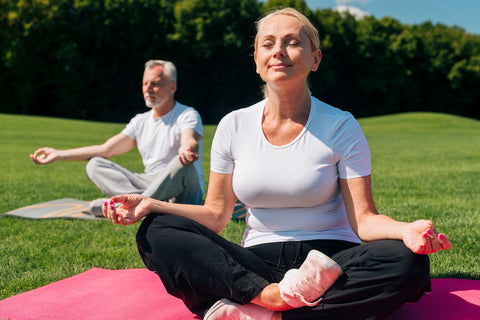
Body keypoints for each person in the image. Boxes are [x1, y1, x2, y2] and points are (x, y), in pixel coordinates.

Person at [102, 8, 451, 320]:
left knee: (407, 262)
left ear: (315, 58)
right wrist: (152, 204)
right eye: (268, 44)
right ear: (256, 59)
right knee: (158, 230)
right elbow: (215, 215)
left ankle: (265, 314)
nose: (278, 51)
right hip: (256, 264)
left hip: (329, 264)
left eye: (292, 43)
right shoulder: (234, 125)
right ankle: (271, 297)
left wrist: (405, 231)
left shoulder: (341, 126)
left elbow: (364, 220)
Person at [30, 60, 204, 216]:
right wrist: (58, 154)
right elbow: (106, 150)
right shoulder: (140, 121)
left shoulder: (187, 114)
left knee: (181, 165)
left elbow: (189, 139)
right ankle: (145, 204)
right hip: (150, 183)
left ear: (173, 87)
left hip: (182, 190)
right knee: (95, 164)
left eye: (155, 84)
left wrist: (188, 150)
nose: (148, 89)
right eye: (145, 83)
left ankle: (134, 205)